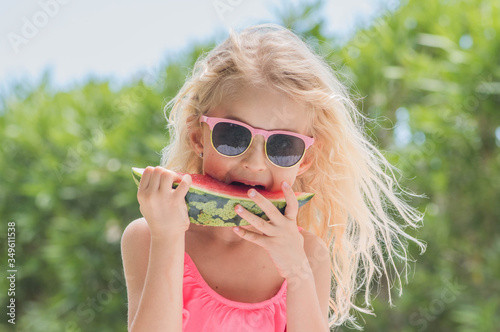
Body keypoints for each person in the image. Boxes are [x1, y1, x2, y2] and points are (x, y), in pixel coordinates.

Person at [121, 24, 426, 331]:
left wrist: (297, 271)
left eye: (283, 146)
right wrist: (168, 238)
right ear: (198, 137)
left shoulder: (308, 254)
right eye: (233, 135)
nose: (254, 163)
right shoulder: (147, 237)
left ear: (304, 160)